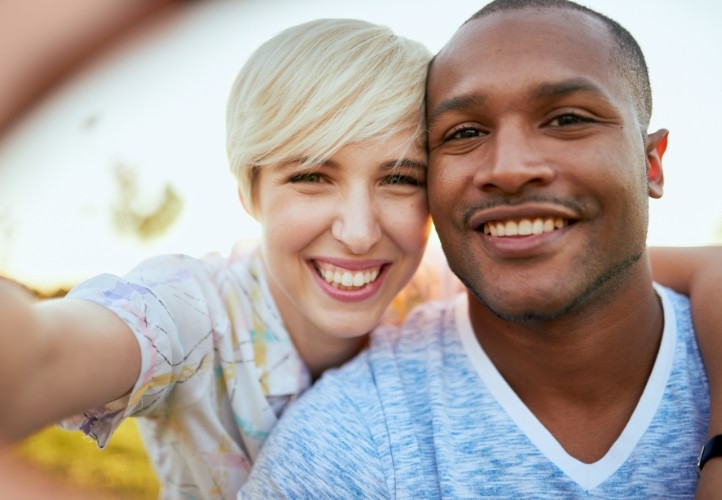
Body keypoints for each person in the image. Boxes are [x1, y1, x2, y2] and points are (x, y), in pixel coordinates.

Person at [0, 13, 719, 500]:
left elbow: (681, 267)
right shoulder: (191, 312)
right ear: (250, 191)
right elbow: (41, 357)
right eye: (310, 175)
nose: (356, 231)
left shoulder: (436, 286)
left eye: (400, 179)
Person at [238, 2, 721, 498]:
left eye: (566, 119)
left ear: (652, 165)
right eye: (465, 133)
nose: (509, 169)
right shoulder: (344, 446)